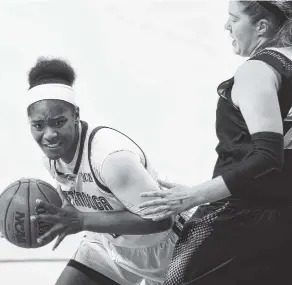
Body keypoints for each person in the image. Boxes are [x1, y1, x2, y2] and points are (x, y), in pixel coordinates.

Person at [137, 1, 292, 285]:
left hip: (236, 217)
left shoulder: (257, 70)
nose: (226, 26)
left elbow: (267, 156)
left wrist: (193, 195)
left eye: (234, 18)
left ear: (262, 27)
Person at [23, 57, 192, 285]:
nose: (49, 134)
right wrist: (19, 211)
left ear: (76, 115)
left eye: (59, 122)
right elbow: (77, 202)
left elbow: (162, 221)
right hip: (110, 245)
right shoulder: (52, 159)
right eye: (39, 126)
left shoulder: (110, 158)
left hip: (169, 249)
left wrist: (83, 220)